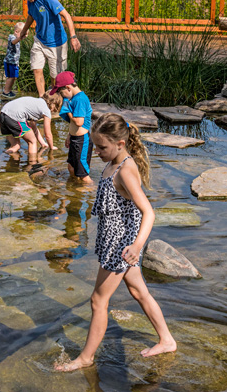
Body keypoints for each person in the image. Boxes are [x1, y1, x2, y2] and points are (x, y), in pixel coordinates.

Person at [55, 113, 175, 371]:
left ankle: (85, 358)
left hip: (121, 247)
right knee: (138, 291)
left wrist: (136, 246)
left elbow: (149, 212)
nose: (96, 151)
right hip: (117, 241)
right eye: (95, 145)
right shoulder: (115, 161)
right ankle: (166, 340)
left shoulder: (126, 171)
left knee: (98, 301)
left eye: (101, 147)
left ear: (120, 143)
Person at [13, 0, 81, 96]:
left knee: (56, 76)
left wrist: (73, 37)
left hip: (56, 43)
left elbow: (67, 15)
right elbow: (31, 16)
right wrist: (23, 32)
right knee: (37, 69)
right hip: (40, 40)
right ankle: (42, 99)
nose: (24, 0)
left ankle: (54, 97)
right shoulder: (31, 2)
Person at [53, 70, 93, 184]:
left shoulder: (80, 99)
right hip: (75, 139)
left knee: (83, 174)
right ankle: (74, 187)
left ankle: (92, 192)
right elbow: (73, 124)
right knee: (71, 167)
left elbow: (79, 122)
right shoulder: (74, 98)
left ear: (68, 88)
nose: (62, 96)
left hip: (82, 140)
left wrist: (68, 111)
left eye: (61, 92)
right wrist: (69, 136)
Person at [0, 93, 61, 161]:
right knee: (32, 142)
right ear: (53, 104)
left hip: (3, 114)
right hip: (15, 117)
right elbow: (48, 134)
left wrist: (43, 143)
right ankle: (32, 164)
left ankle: (3, 157)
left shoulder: (36, 103)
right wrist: (51, 147)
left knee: (15, 146)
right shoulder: (46, 110)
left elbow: (33, 127)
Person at [3, 22, 25, 98]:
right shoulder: (12, 37)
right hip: (10, 62)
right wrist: (20, 38)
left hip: (14, 62)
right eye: (23, 34)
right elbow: (13, 42)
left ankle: (8, 90)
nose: (25, 36)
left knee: (13, 77)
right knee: (11, 77)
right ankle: (6, 91)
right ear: (16, 32)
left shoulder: (16, 38)